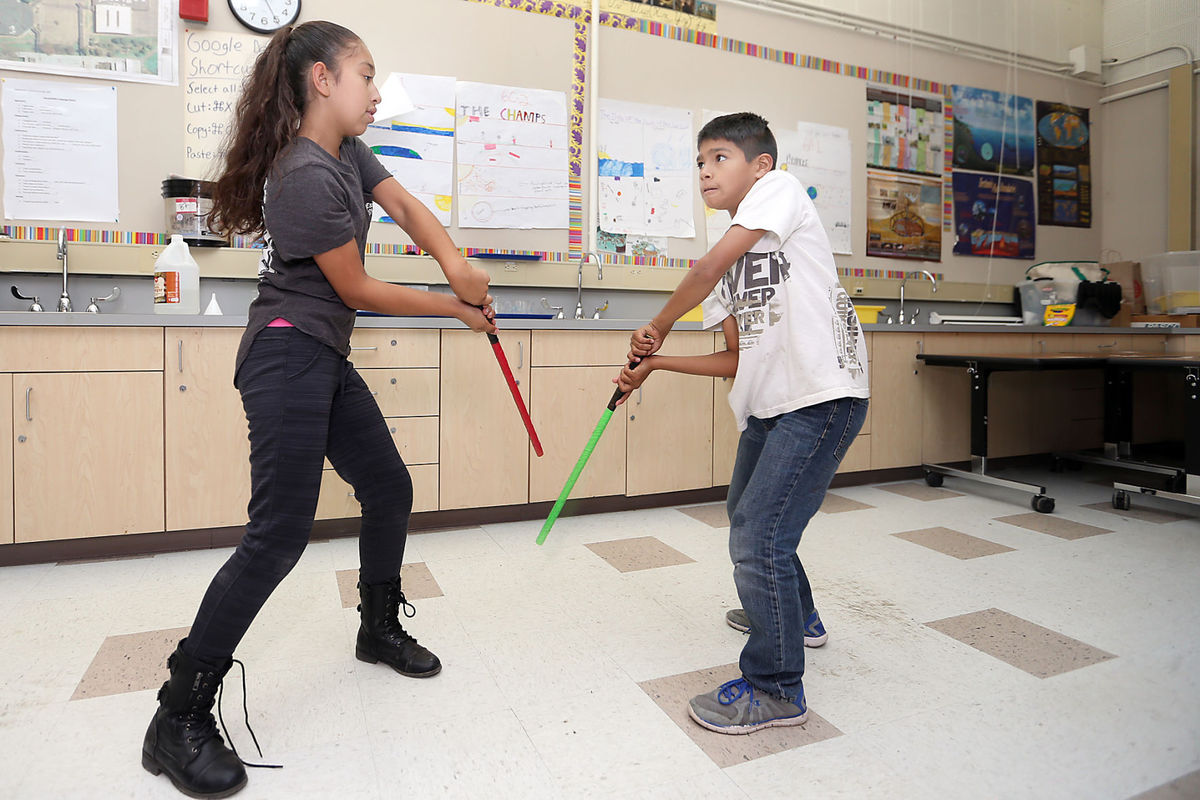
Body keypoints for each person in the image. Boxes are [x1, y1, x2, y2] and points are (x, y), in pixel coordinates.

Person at [141, 21, 496, 798]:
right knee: (277, 536)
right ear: (323, 81)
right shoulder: (301, 173)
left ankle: (374, 627)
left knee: (388, 488)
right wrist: (454, 305)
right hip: (286, 353)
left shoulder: (346, 153)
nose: (376, 89)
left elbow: (403, 204)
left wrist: (458, 262)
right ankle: (178, 712)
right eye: (366, 74)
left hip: (318, 353)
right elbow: (358, 291)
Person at [616, 112, 869, 735]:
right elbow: (735, 359)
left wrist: (660, 324)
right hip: (769, 407)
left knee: (758, 536)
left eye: (719, 157)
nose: (705, 170)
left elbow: (700, 272)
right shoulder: (731, 260)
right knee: (750, 517)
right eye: (699, 162)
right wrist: (656, 365)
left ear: (759, 164)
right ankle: (795, 619)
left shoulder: (777, 192)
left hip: (819, 397)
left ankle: (776, 686)